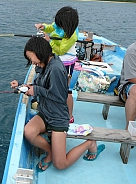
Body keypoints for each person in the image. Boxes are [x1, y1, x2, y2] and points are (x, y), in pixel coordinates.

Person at [10, 36, 105, 172]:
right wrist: (22, 86)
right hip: (45, 112)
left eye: (32, 59)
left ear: (40, 53)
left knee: (60, 165)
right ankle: (51, 152)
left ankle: (90, 143)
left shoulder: (55, 69)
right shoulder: (44, 64)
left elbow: (60, 97)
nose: (32, 63)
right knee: (29, 132)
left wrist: (35, 90)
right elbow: (39, 85)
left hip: (58, 118)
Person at [35, 6, 79, 123]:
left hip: (66, 63)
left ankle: (69, 116)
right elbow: (51, 27)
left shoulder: (72, 35)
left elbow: (61, 51)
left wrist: (49, 42)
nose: (58, 26)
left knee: (66, 90)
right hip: (55, 60)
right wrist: (43, 26)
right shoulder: (58, 24)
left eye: (61, 25)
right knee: (51, 85)